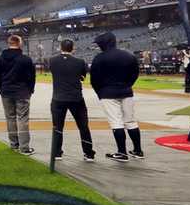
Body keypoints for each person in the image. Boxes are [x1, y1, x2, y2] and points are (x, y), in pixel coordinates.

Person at [90, 31, 142, 162]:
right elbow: (135, 74)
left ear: (104, 44)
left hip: (107, 93)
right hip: (126, 91)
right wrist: (128, 85)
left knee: (116, 122)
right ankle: (138, 150)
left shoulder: (99, 58)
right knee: (131, 122)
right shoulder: (128, 55)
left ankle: (122, 152)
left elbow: (94, 80)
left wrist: (100, 93)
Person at [49, 39, 96, 162]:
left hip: (58, 98)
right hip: (76, 98)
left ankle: (57, 152)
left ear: (60, 47)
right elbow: (82, 77)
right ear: (73, 48)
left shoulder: (52, 61)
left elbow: (54, 71)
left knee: (58, 126)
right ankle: (88, 153)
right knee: (83, 126)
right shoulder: (80, 62)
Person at [0, 35, 36, 155]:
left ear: (9, 43)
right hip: (22, 92)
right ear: (19, 43)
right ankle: (24, 147)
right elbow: (32, 77)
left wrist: (1, 89)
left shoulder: (1, 58)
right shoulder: (25, 59)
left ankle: (14, 144)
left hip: (6, 91)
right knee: (22, 118)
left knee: (10, 118)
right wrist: (30, 90)